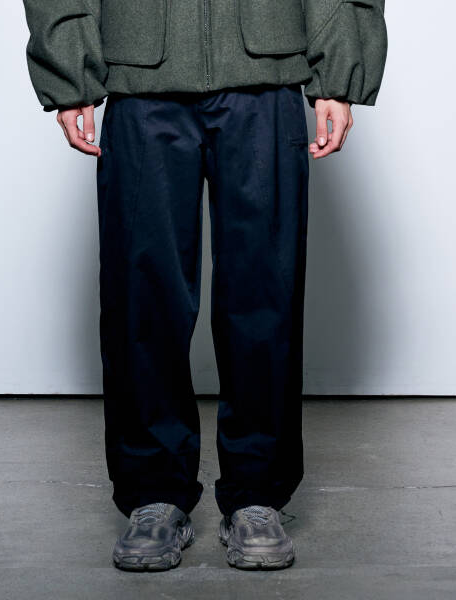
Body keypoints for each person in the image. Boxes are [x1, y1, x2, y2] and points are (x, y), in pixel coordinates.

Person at [22, 0, 387, 572]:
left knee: (265, 291)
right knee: (142, 294)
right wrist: (69, 70)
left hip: (267, 74)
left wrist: (339, 74)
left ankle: (257, 493)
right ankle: (153, 491)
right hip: (140, 79)